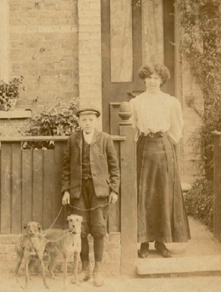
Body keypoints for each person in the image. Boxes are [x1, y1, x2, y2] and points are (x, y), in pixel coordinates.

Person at [130, 63, 191, 258]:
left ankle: (162, 242)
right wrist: (144, 140)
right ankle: (144, 242)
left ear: (162, 80)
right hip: (145, 148)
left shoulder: (170, 102)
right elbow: (132, 128)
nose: (152, 82)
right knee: (145, 192)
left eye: (156, 78)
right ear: (144, 80)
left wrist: (165, 142)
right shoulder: (136, 102)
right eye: (149, 78)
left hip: (164, 149)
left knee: (164, 193)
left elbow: (176, 128)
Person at [61, 107, 120, 287]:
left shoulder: (105, 139)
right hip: (78, 191)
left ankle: (98, 271)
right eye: (84, 120)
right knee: (80, 229)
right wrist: (66, 190)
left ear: (96, 121)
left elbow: (114, 167)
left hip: (99, 191)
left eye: (90, 119)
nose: (87, 123)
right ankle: (85, 269)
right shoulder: (73, 140)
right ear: (79, 122)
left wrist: (114, 190)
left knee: (99, 229)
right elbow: (65, 168)